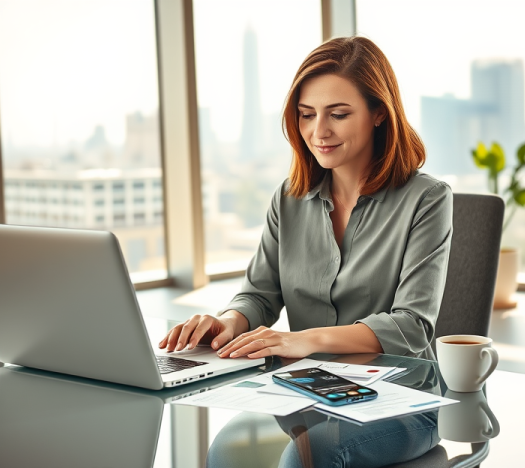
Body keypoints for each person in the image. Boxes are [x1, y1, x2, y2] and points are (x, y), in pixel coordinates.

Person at [159, 36, 453, 362]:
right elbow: (259, 296)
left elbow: (411, 326)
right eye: (307, 114)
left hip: (399, 391)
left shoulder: (427, 199)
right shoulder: (288, 198)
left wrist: (303, 340)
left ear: (379, 113)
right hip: (305, 390)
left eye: (338, 114)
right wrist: (227, 322)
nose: (318, 132)